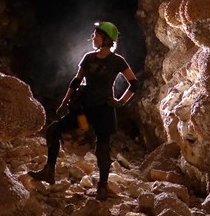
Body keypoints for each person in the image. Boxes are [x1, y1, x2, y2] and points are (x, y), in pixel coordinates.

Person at [29, 21, 139, 201]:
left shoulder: (117, 61)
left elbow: (134, 83)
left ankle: (102, 186)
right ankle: (49, 171)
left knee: (102, 147)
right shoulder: (88, 57)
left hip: (104, 109)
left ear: (106, 39)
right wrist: (65, 101)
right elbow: (76, 80)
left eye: (96, 35)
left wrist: (120, 102)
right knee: (53, 130)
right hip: (84, 108)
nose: (92, 37)